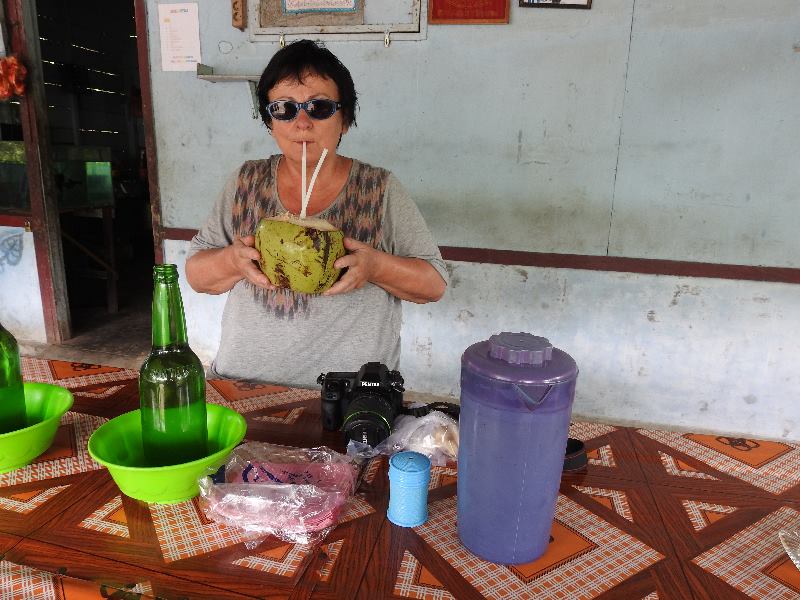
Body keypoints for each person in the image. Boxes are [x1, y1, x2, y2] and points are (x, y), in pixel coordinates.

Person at [185, 40, 448, 388]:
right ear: (270, 121)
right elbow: (196, 275)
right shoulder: (245, 181)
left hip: (349, 393)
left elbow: (433, 284)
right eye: (284, 108)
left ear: (345, 120)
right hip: (243, 384)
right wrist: (233, 261)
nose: (302, 122)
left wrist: (375, 267)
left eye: (319, 107)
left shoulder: (378, 188)